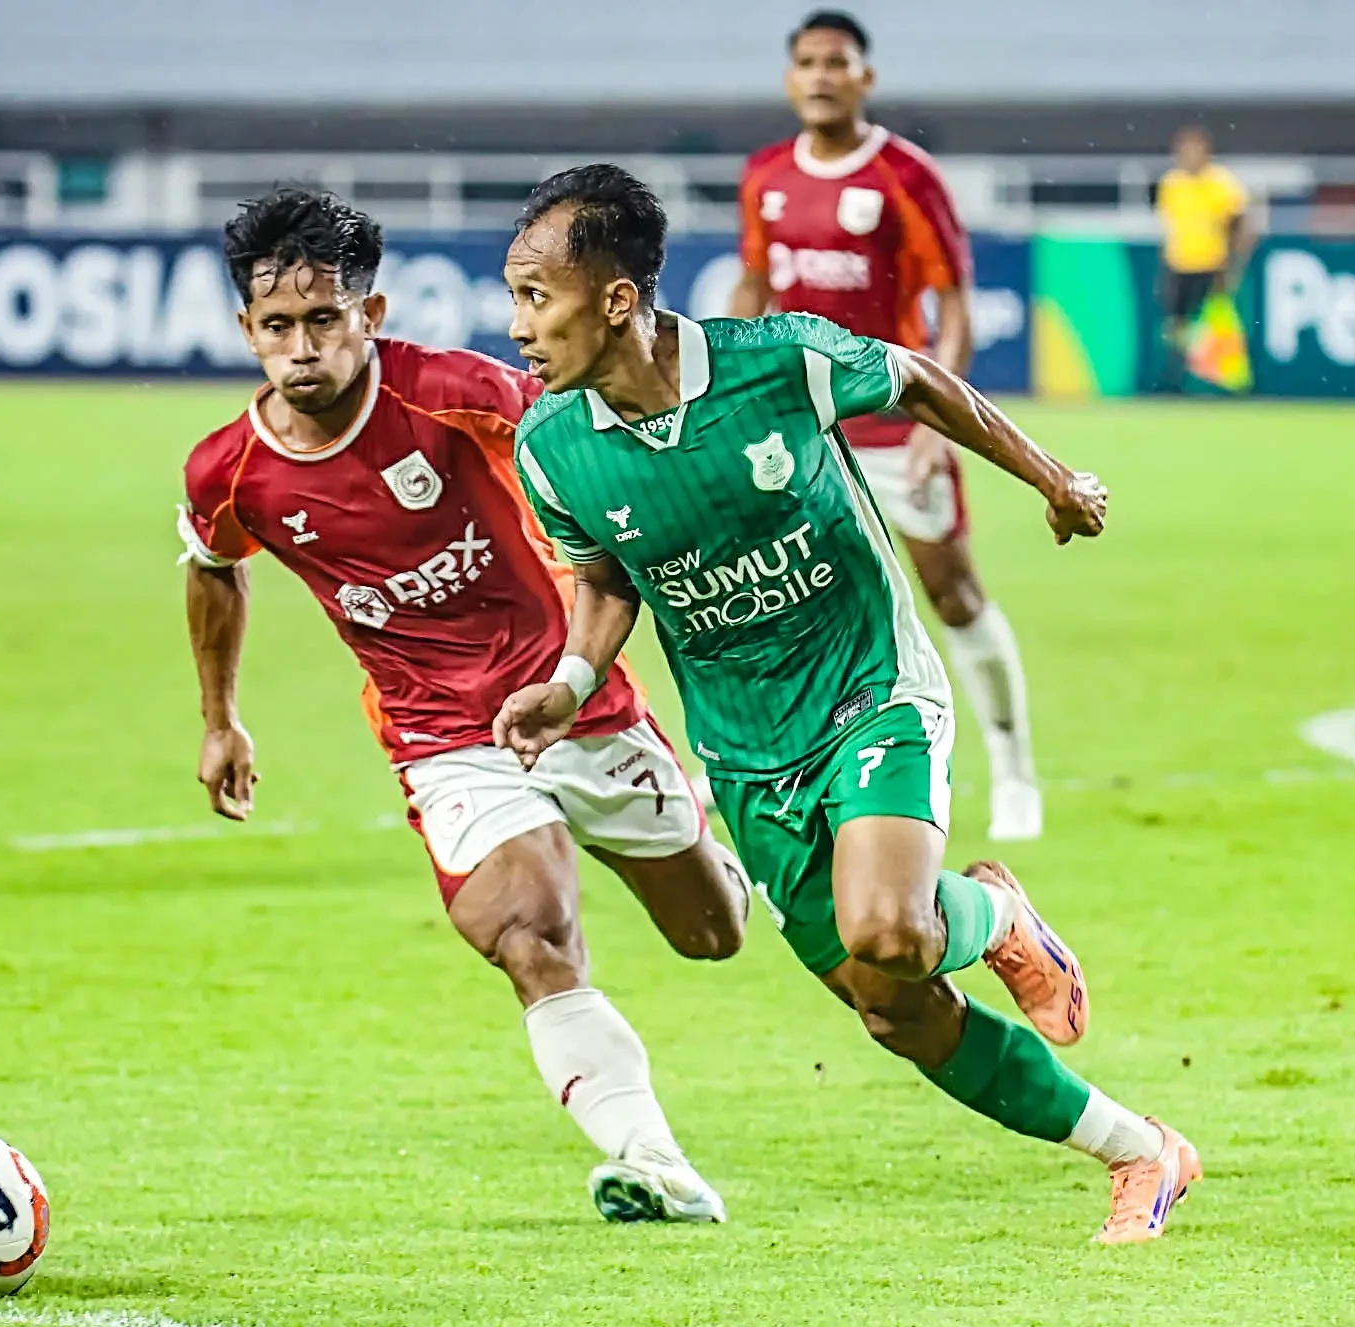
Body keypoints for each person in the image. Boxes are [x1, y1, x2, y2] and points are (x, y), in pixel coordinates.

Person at [495, 165, 1200, 1244]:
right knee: (891, 1006)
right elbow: (605, 579)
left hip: (869, 688)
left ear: (618, 298)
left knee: (890, 927)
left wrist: (1052, 478)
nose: (519, 326)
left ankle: (994, 915)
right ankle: (1141, 1150)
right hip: (743, 750)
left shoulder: (775, 360)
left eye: (536, 297)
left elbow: (915, 379)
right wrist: (570, 683)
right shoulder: (551, 447)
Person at [179, 188, 752, 1224]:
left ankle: (713, 829)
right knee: (526, 929)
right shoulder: (231, 470)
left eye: (324, 319)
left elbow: (591, 447)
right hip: (438, 735)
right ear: (246, 330)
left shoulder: (455, 394)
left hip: (569, 698)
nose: (301, 348)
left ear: (370, 313)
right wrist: (221, 717)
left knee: (712, 933)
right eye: (277, 326)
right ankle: (656, 1162)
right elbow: (214, 566)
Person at [730, 9, 1041, 842]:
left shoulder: (906, 176)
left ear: (865, 77)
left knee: (952, 592)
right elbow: (754, 287)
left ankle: (1015, 771)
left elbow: (955, 305)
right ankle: (775, 764)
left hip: (894, 424)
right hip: (797, 432)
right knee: (782, 600)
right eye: (808, 62)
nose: (822, 76)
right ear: (790, 78)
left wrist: (940, 425)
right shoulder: (765, 176)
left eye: (837, 62)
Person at [1156, 125, 1253, 391]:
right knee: (1176, 327)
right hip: (1179, 265)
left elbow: (1240, 225)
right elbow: (1171, 227)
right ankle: (1178, 381)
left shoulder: (1222, 183)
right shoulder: (1171, 184)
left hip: (1212, 265)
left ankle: (1224, 383)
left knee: (1218, 326)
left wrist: (1233, 264)